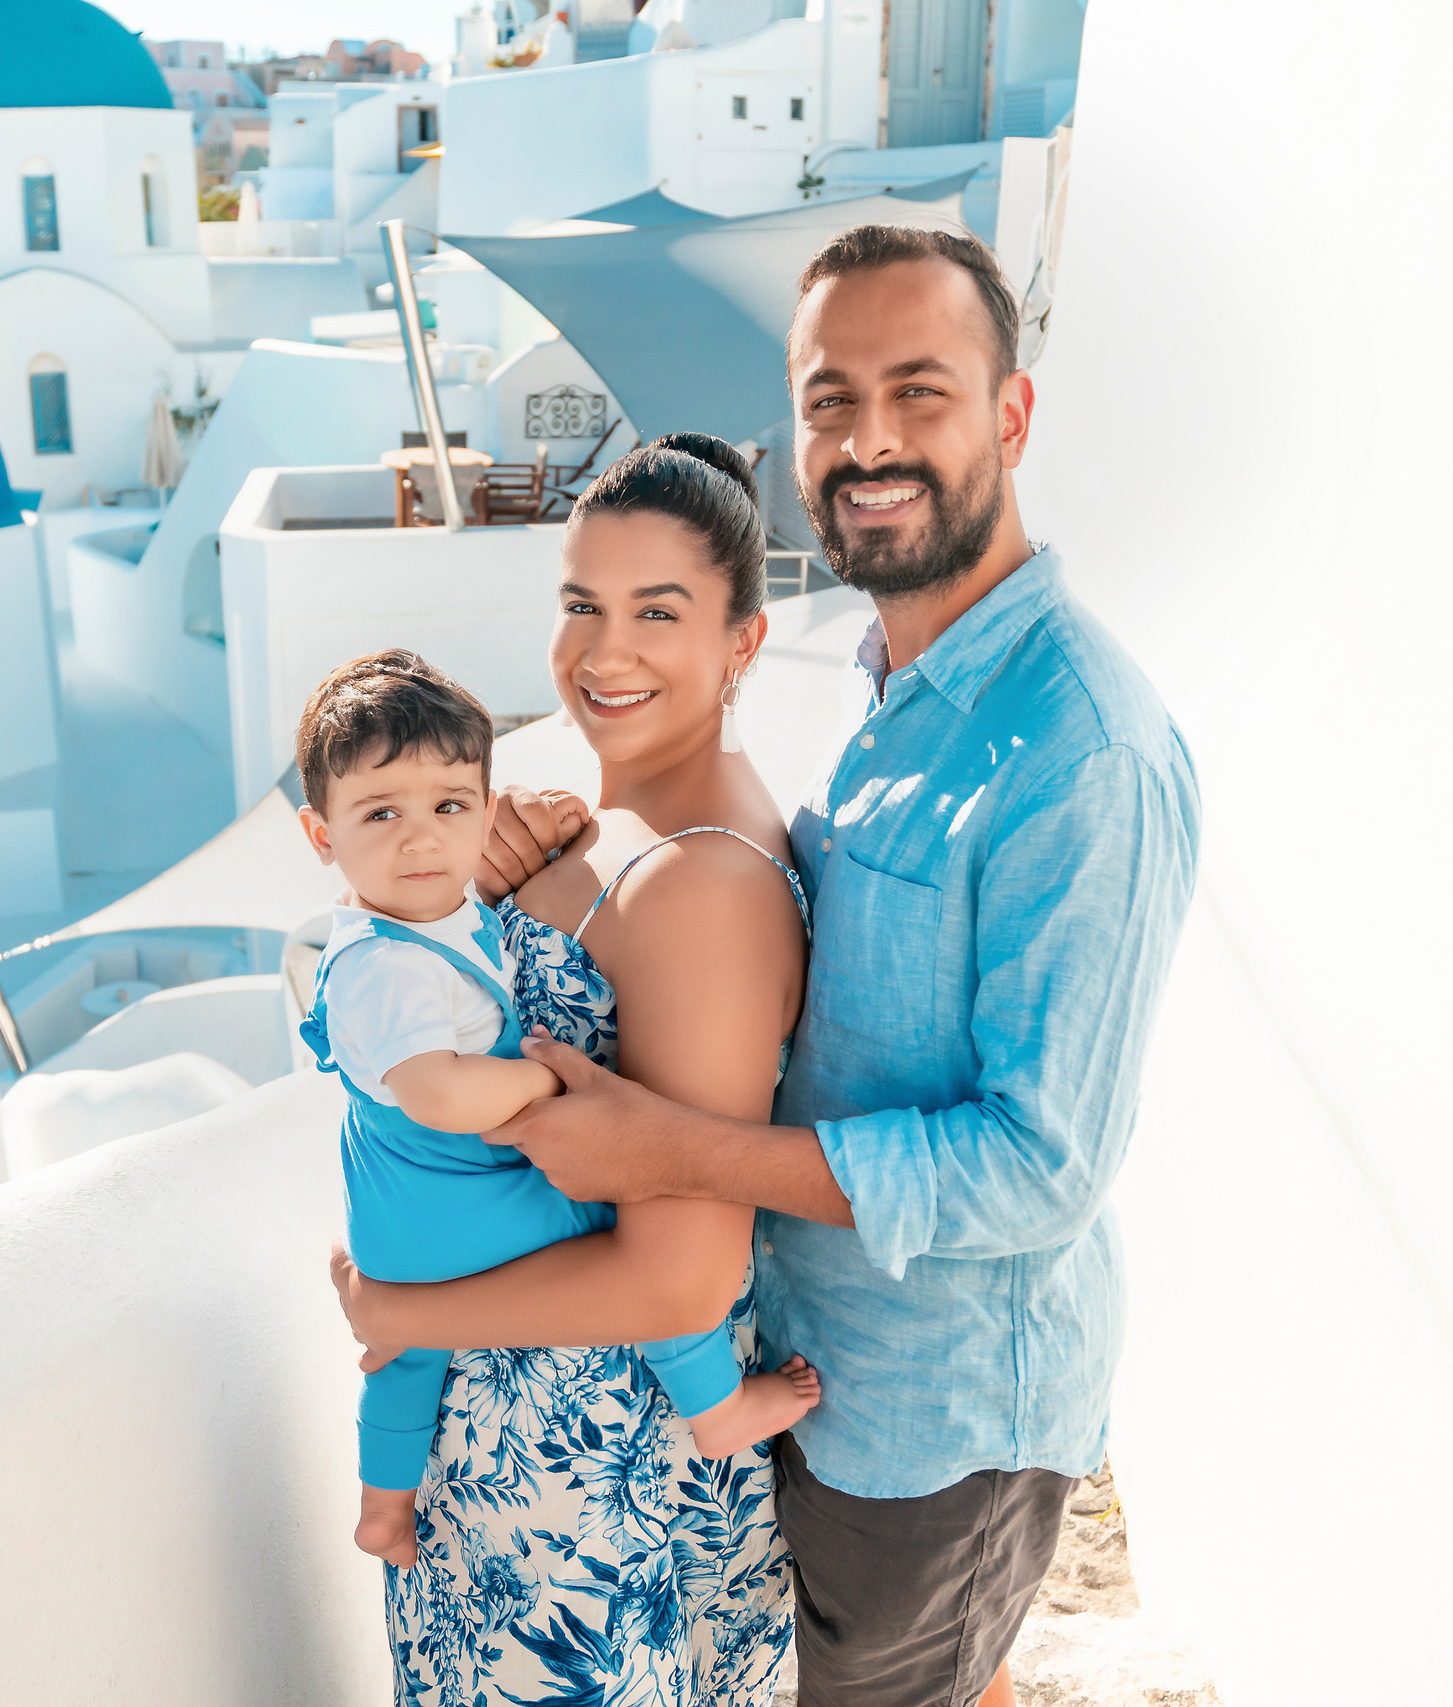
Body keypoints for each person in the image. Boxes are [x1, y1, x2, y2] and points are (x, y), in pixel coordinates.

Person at [357, 226, 1203, 1707]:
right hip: (818, 1375)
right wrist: (558, 869)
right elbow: (833, 945)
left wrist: (676, 1149)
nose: (868, 438)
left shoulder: (1084, 747)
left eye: (919, 391)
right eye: (830, 398)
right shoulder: (904, 680)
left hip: (931, 1427)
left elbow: (1041, 1161)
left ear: (1009, 415)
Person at [329, 435, 818, 1704]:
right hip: (532, 1473)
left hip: (580, 1511)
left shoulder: (703, 885)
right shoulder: (624, 834)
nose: (605, 653)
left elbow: (683, 1273)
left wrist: (400, 1318)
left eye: (659, 613)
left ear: (743, 644)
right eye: (581, 605)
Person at [292, 648, 822, 1571]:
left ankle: (384, 1508)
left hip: (396, 1224)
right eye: (382, 814)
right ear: (320, 832)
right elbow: (440, 1091)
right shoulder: (388, 969)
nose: (422, 841)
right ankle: (717, 1406)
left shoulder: (399, 923)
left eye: (449, 808)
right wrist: (547, 1086)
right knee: (641, 1218)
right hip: (461, 1205)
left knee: (404, 1366)